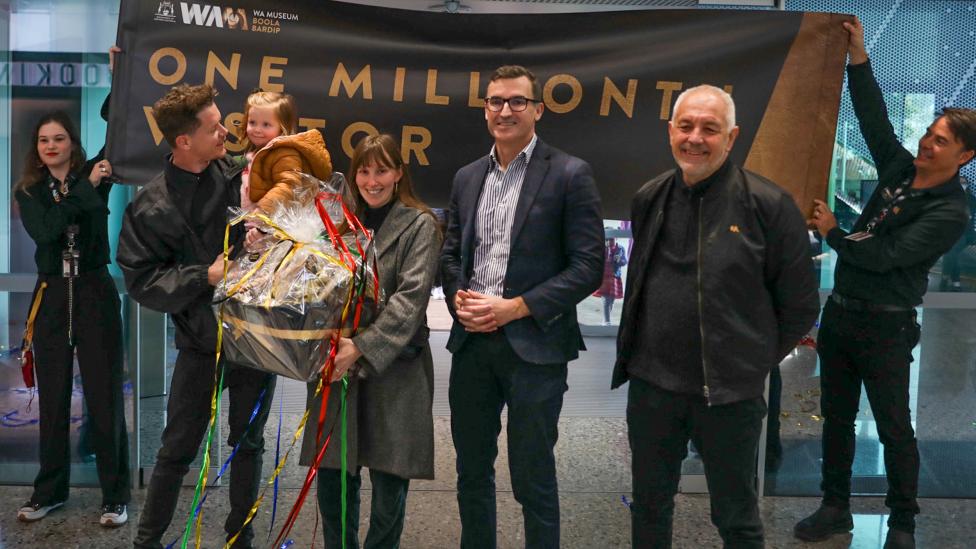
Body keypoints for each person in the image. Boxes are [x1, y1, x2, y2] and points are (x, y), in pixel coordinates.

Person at [612, 84, 820, 548]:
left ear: (732, 137)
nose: (695, 138)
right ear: (670, 132)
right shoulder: (650, 197)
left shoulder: (769, 205)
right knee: (649, 506)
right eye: (685, 126)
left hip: (727, 396)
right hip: (652, 390)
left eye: (710, 128)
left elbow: (802, 304)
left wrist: (752, 360)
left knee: (736, 518)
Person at [796, 18, 976, 549]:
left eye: (940, 141)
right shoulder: (900, 169)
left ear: (965, 156)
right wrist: (859, 57)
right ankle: (835, 508)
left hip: (887, 328)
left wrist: (834, 233)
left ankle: (903, 523)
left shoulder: (950, 212)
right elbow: (873, 116)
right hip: (844, 316)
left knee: (895, 429)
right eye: (927, 133)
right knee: (836, 419)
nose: (926, 143)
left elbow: (886, 256)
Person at [440, 64, 604, 549]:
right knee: (471, 472)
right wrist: (458, 298)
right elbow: (451, 254)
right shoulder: (467, 177)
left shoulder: (571, 174)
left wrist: (517, 307)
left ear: (538, 109)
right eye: (495, 102)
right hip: (472, 346)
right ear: (486, 109)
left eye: (516, 101)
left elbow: (588, 266)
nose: (504, 110)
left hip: (535, 347)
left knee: (533, 476)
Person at [117, 83, 276, 549]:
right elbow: (141, 280)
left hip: (254, 337)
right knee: (175, 451)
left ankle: (239, 538)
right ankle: (146, 541)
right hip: (198, 343)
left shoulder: (241, 174)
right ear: (184, 141)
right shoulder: (149, 205)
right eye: (214, 128)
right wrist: (200, 276)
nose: (227, 132)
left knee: (249, 444)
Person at [299, 133, 440, 549]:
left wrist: (359, 346)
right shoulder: (336, 223)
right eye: (364, 170)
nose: (372, 180)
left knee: (389, 479)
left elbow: (410, 302)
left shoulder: (421, 224)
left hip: (395, 369)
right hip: (336, 367)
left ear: (399, 174)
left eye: (382, 170)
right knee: (334, 475)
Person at [13, 110, 131, 527]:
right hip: (50, 298)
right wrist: (85, 190)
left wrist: (121, 79)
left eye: (59, 139)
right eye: (44, 140)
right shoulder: (29, 191)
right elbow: (46, 232)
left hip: (94, 292)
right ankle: (49, 492)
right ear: (37, 149)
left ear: (72, 143)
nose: (50, 146)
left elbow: (120, 129)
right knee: (54, 400)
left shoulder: (98, 171)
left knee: (104, 398)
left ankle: (115, 497)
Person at [237, 90, 332, 213]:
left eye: (266, 124)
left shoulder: (285, 153)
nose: (257, 129)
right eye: (252, 122)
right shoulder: (256, 153)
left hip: (273, 224)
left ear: (282, 128)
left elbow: (288, 185)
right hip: (256, 221)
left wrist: (262, 212)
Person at [593, 233, 627, 325]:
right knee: (606, 299)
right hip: (604, 277)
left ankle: (605, 320)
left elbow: (625, 261)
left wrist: (619, 260)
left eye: (611, 239)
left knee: (611, 301)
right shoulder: (602, 248)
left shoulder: (620, 248)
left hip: (615, 277)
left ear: (616, 238)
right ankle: (607, 322)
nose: (608, 242)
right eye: (606, 240)